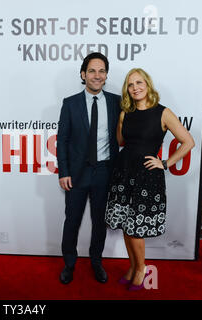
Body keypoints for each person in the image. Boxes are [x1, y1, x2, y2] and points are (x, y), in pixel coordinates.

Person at [105, 68, 195, 291]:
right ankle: (132, 266)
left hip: (147, 178)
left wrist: (165, 163)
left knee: (136, 228)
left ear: (148, 85)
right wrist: (120, 121)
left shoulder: (163, 113)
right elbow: (120, 141)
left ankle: (141, 269)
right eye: (130, 84)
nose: (135, 87)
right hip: (124, 173)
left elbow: (188, 142)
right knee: (127, 225)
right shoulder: (126, 112)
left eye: (139, 82)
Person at [57, 52, 121, 284]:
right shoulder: (70, 103)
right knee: (72, 221)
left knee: (99, 222)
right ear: (83, 74)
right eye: (92, 71)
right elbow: (62, 140)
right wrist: (63, 171)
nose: (97, 75)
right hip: (76, 174)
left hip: (105, 172)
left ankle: (96, 262)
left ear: (106, 75)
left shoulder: (116, 101)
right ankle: (69, 264)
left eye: (101, 71)